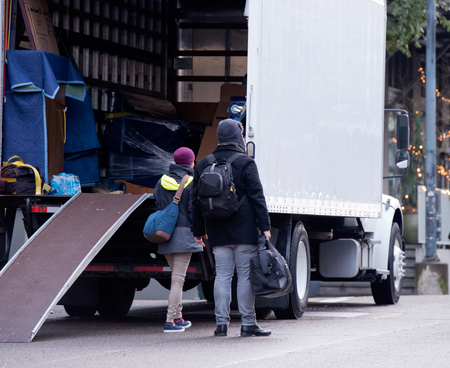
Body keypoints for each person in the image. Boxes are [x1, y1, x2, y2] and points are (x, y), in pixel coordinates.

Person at [192, 119, 272, 337]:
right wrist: (265, 226)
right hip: (244, 229)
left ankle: (221, 325)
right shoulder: (245, 162)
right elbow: (257, 196)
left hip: (217, 229)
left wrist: (198, 230)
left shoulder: (203, 164)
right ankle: (248, 324)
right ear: (238, 136)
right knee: (245, 275)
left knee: (222, 275)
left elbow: (195, 201)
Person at [153, 147, 204, 333]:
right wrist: (199, 232)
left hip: (165, 233)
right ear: (191, 162)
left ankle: (179, 317)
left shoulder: (161, 181)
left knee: (176, 277)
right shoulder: (191, 182)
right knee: (177, 280)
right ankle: (169, 321)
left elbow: (158, 205)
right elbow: (194, 211)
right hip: (184, 234)